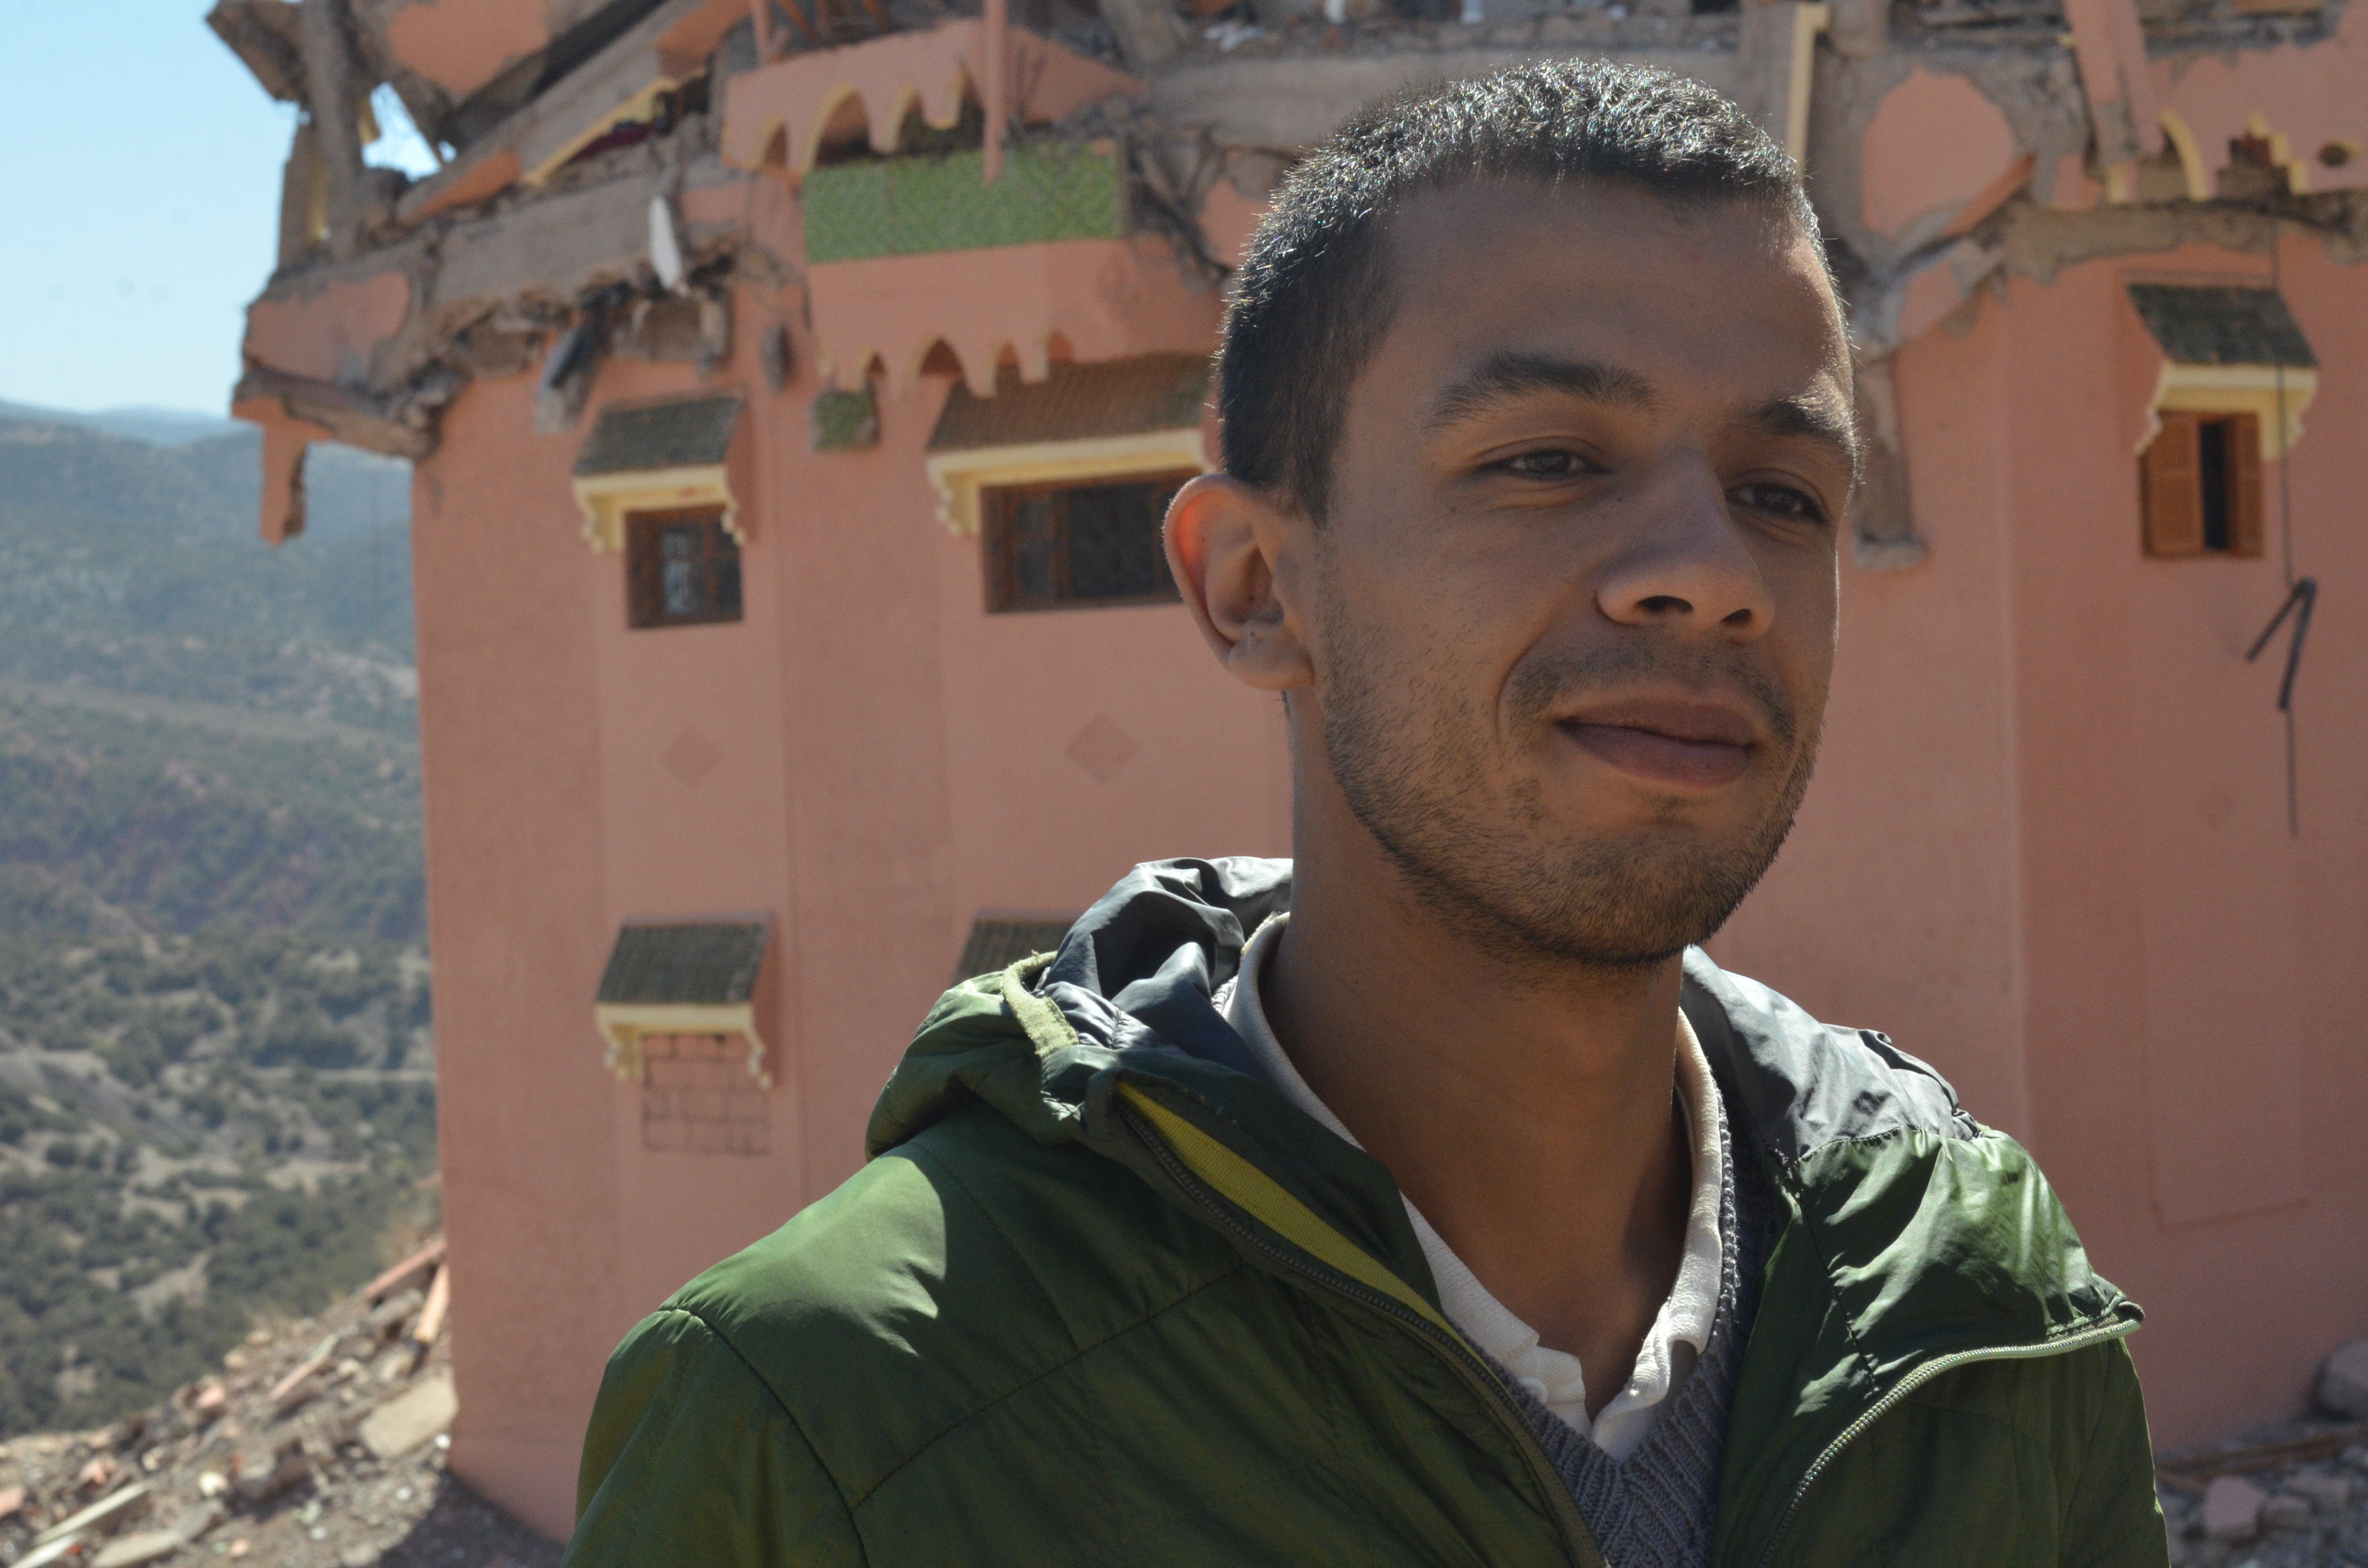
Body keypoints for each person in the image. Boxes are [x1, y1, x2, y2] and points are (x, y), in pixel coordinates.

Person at [562, 60, 2165, 1568]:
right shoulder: (829, 1428)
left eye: (1784, 494)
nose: (1714, 574)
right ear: (1259, 589)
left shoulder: (1981, 1312)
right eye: (1548, 459)